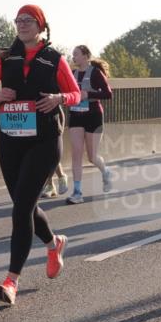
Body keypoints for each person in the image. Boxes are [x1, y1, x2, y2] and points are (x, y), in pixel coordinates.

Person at [0, 5, 81, 305]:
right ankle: (54, 242)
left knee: (21, 210)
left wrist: (59, 98)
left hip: (44, 141)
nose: (22, 25)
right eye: (18, 20)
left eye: (28, 21)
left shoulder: (54, 59)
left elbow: (76, 94)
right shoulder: (3, 56)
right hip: (10, 140)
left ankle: (11, 281)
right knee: (26, 206)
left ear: (41, 25)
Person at [65, 45, 115, 204]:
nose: (73, 57)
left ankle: (106, 171)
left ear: (86, 56)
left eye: (76, 54)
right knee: (76, 154)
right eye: (73, 55)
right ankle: (77, 192)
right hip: (75, 116)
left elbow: (108, 94)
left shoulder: (95, 72)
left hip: (93, 115)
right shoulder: (72, 74)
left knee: (92, 156)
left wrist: (88, 94)